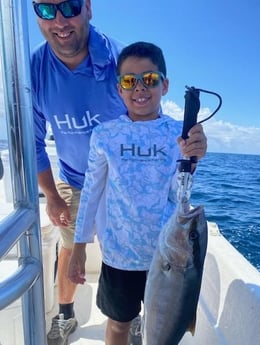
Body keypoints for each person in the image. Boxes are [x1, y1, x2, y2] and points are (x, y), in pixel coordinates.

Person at [68, 41, 207, 345]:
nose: (140, 88)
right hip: (119, 254)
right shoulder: (105, 135)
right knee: (118, 325)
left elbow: (176, 192)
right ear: (119, 88)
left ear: (165, 85)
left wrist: (192, 160)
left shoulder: (178, 134)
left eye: (150, 79)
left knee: (161, 329)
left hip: (166, 256)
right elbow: (91, 190)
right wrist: (79, 246)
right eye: (129, 81)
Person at [30, 1, 127, 344]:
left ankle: (133, 315)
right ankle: (66, 316)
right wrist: (52, 196)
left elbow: (149, 122)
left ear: (88, 7)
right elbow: (34, 142)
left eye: (69, 6)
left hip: (122, 185)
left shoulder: (121, 60)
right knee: (69, 248)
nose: (59, 20)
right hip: (71, 179)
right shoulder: (34, 69)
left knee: (130, 253)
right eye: (45, 9)